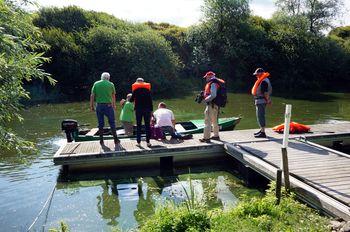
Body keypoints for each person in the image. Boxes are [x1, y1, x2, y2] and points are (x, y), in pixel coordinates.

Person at [90, 72, 120, 145]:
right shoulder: (111, 84)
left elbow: (92, 95)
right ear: (108, 78)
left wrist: (91, 106)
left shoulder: (96, 84)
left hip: (99, 106)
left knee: (100, 123)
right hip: (108, 106)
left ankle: (101, 140)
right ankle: (116, 139)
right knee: (112, 122)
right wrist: (114, 105)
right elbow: (113, 96)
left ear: (102, 77)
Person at [199, 71, 225, 143]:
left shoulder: (213, 83)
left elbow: (213, 95)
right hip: (215, 105)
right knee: (215, 121)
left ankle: (206, 138)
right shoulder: (216, 82)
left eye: (206, 77)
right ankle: (216, 136)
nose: (206, 79)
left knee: (207, 121)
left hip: (211, 104)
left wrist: (205, 100)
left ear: (209, 76)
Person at [130, 78, 153, 147]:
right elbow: (150, 101)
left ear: (137, 82)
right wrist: (151, 110)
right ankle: (148, 142)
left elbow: (131, 100)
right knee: (147, 126)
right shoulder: (147, 90)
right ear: (143, 82)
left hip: (138, 110)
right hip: (147, 110)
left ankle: (139, 142)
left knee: (139, 126)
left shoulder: (135, 90)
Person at [251, 68, 272, 138]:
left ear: (261, 73)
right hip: (259, 101)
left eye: (257, 74)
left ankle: (263, 132)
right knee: (259, 116)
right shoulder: (263, 80)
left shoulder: (264, 81)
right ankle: (261, 130)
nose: (256, 76)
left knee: (261, 116)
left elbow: (265, 92)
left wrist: (268, 100)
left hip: (261, 101)